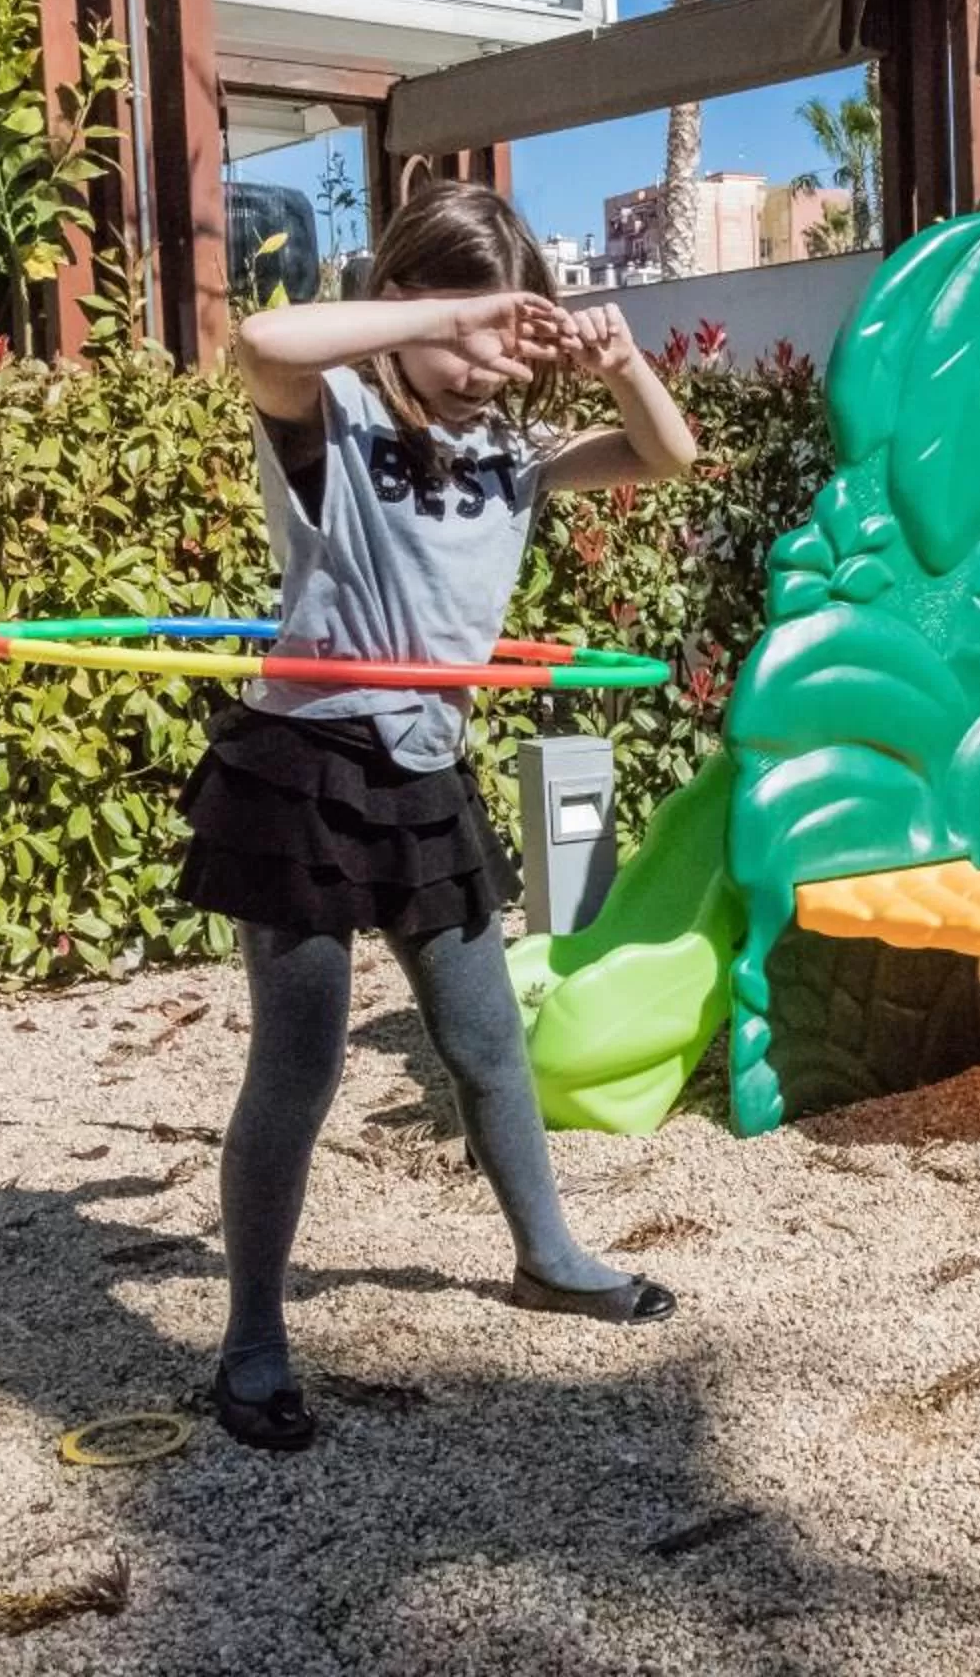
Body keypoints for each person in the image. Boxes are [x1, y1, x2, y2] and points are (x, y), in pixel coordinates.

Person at [179, 176, 699, 1451]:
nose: (487, 369)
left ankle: (549, 1254)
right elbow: (260, 341)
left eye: (506, 345)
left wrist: (621, 355)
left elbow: (667, 452)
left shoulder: (506, 454)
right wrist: (440, 309)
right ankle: (252, 1335)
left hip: (426, 766)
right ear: (404, 301)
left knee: (486, 1038)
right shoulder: (333, 415)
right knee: (296, 1062)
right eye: (467, 335)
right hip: (305, 767)